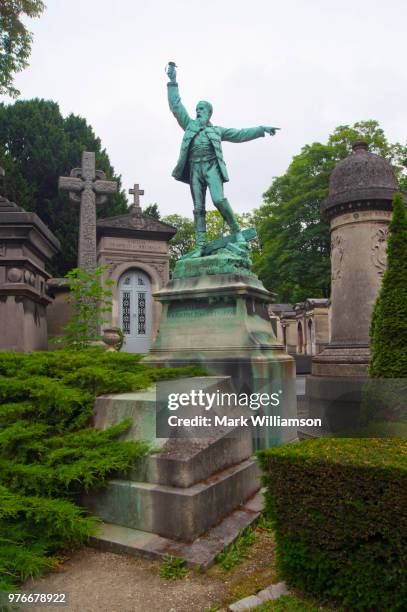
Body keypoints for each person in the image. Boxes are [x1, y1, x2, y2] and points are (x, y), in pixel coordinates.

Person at [166, 61, 278, 257]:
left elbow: (240, 134)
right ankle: (200, 244)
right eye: (197, 109)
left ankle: (236, 231)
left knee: (218, 199)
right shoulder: (189, 125)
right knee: (198, 208)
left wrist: (261, 129)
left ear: (209, 112)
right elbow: (176, 106)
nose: (197, 111)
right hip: (194, 169)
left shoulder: (217, 130)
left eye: (201, 109)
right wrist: (173, 82)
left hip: (211, 167)